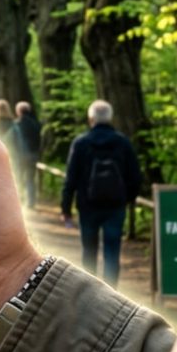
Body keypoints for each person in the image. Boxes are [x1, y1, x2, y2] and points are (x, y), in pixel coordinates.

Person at [59, 100, 142, 288]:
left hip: (87, 206)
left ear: (91, 119)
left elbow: (70, 178)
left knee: (89, 251)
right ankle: (111, 294)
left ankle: (89, 293)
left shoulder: (81, 143)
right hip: (115, 207)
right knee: (112, 252)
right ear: (110, 118)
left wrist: (66, 207)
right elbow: (135, 176)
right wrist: (127, 198)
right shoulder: (122, 142)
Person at [9, 102, 42, 209]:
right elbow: (39, 141)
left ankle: (18, 201)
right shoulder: (36, 124)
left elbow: (12, 141)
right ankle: (31, 203)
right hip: (33, 155)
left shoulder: (16, 124)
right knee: (30, 179)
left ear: (18, 111)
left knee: (18, 178)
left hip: (19, 156)